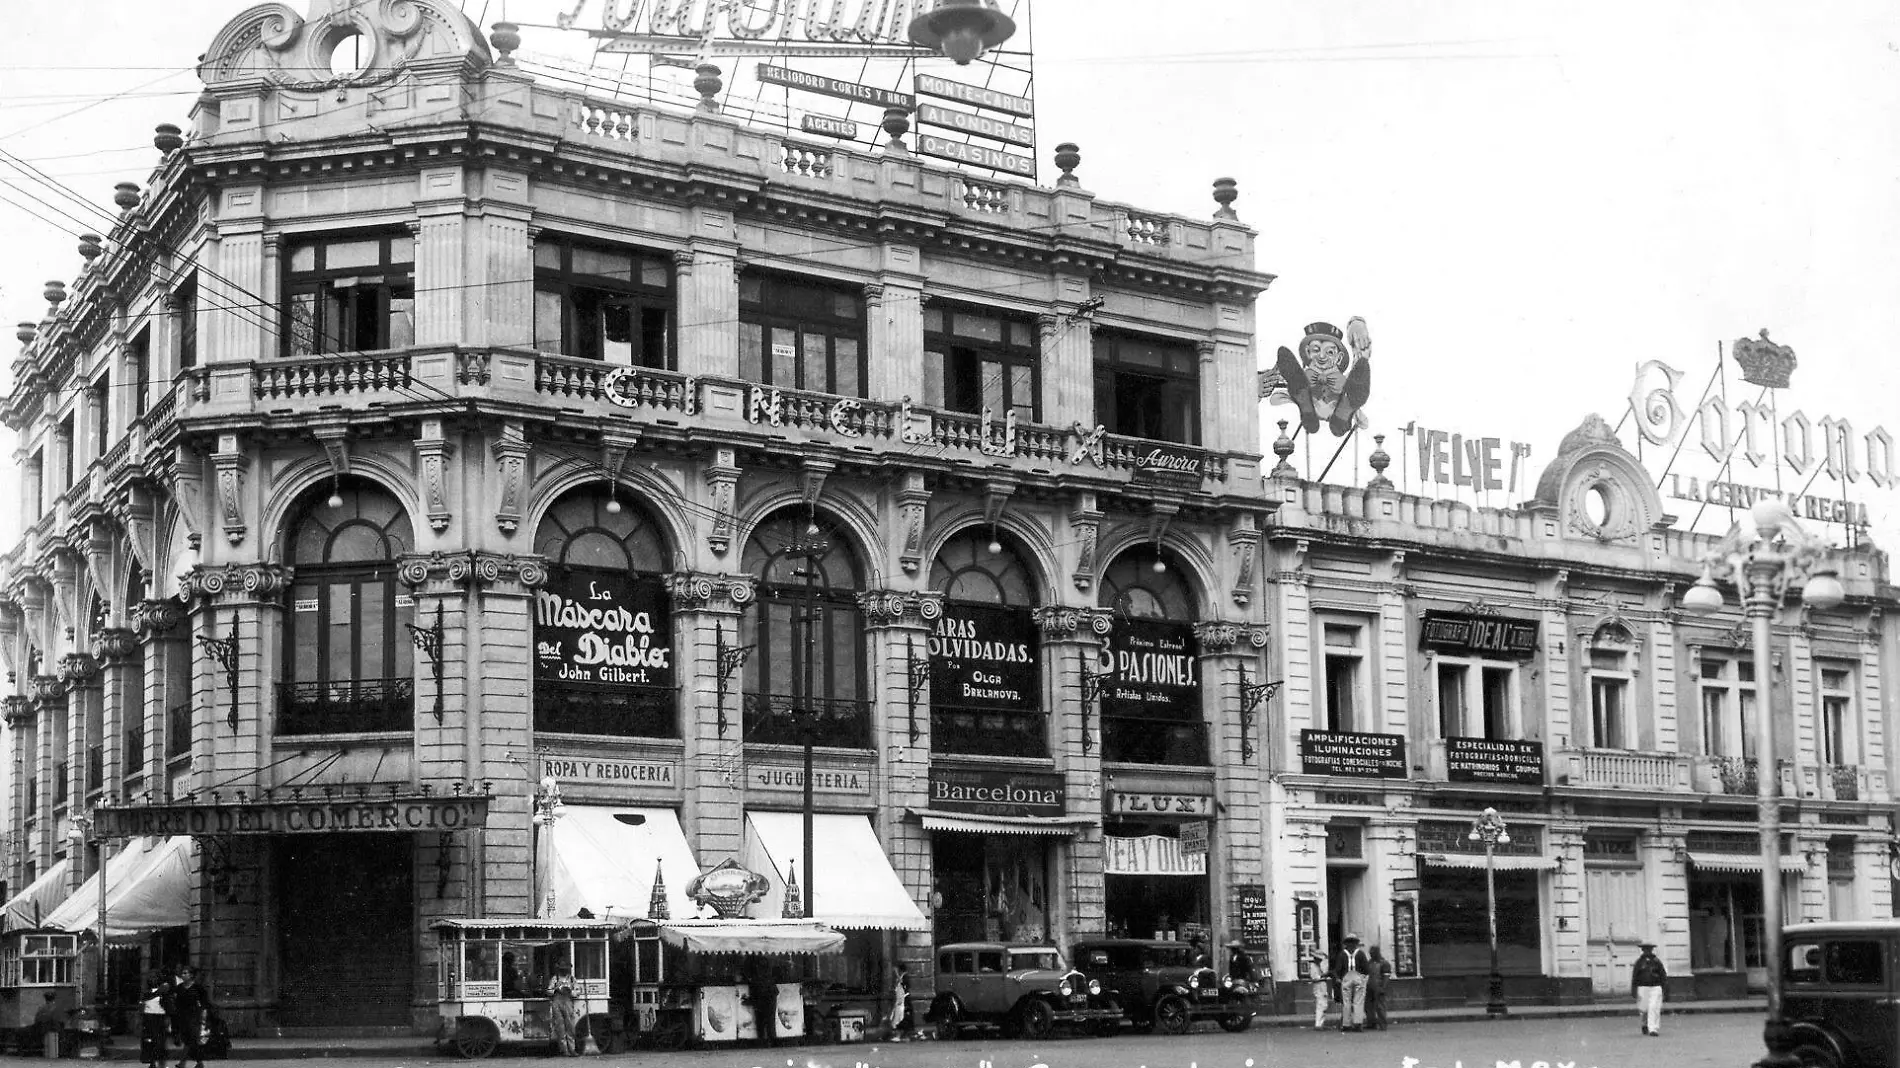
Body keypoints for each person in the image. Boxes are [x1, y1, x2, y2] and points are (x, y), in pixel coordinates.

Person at [168, 964, 213, 1068]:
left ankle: (182, 1064)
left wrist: (204, 1013)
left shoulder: (198, 988)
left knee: (190, 1039)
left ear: (191, 975)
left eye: (185, 973)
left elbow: (205, 1002)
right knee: (188, 1040)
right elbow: (176, 1002)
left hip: (194, 1016)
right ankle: (199, 1063)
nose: (183, 975)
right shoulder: (179, 988)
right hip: (182, 1016)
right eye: (182, 973)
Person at [1632, 943, 1667, 1037]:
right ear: (1643, 951)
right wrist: (1634, 989)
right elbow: (1635, 976)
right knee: (1643, 1009)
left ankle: (1653, 1029)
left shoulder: (1657, 962)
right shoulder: (1639, 962)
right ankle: (1644, 1024)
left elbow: (1663, 975)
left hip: (1655, 987)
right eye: (1645, 950)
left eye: (1649, 950)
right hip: (1643, 987)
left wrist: (1664, 988)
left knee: (1654, 1007)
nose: (1647, 952)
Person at [141, 972, 174, 1068]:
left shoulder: (164, 993)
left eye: (154, 977)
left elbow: (169, 1008)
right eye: (150, 977)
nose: (152, 979)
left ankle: (161, 1064)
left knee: (160, 1044)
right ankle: (152, 1063)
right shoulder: (148, 992)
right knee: (149, 1043)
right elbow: (143, 1002)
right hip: (149, 1019)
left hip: (159, 1019)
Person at [1339, 933, 1370, 1032]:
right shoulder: (1360, 954)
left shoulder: (1342, 954)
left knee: (1346, 1002)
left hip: (1346, 977)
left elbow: (1338, 969)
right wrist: (1363, 977)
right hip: (1358, 977)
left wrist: (1340, 978)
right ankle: (1357, 1023)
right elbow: (1366, 968)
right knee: (1358, 1001)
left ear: (1346, 943)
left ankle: (1346, 1024)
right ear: (1356, 943)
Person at [547, 960, 579, 1056]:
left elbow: (577, 992)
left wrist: (570, 992)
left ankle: (572, 1049)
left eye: (565, 969)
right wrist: (555, 989)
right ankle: (564, 1050)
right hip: (557, 1002)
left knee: (570, 1026)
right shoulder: (555, 978)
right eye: (562, 969)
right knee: (560, 1026)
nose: (564, 971)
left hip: (568, 1001)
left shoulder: (572, 979)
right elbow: (548, 990)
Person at [1365, 946, 1392, 1031]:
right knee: (1368, 1007)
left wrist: (1383, 988)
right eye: (1370, 953)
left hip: (1379, 987)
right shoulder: (1370, 962)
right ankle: (1371, 1023)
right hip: (1369, 987)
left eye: (1372, 953)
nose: (1371, 954)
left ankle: (1383, 1025)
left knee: (1380, 1007)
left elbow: (1386, 977)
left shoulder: (1384, 963)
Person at [1308, 946, 1334, 1030]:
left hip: (1322, 986)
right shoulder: (1313, 967)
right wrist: (1324, 976)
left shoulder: (1318, 966)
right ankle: (1318, 1024)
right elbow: (1315, 978)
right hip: (1319, 986)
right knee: (1321, 1005)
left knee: (1323, 1005)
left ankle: (1321, 1023)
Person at [32, 992, 67, 1057]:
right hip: (53, 1030)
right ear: (53, 999)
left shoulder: (41, 1008)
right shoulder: (56, 1008)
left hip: (40, 1029)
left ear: (45, 999)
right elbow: (59, 1020)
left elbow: (36, 1019)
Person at [887, 965, 911, 1041]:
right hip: (899, 1001)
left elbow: (901, 983)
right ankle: (900, 1035)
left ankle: (899, 1035)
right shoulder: (902, 978)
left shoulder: (904, 977)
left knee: (898, 1018)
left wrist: (896, 972)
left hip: (901, 1002)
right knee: (897, 1018)